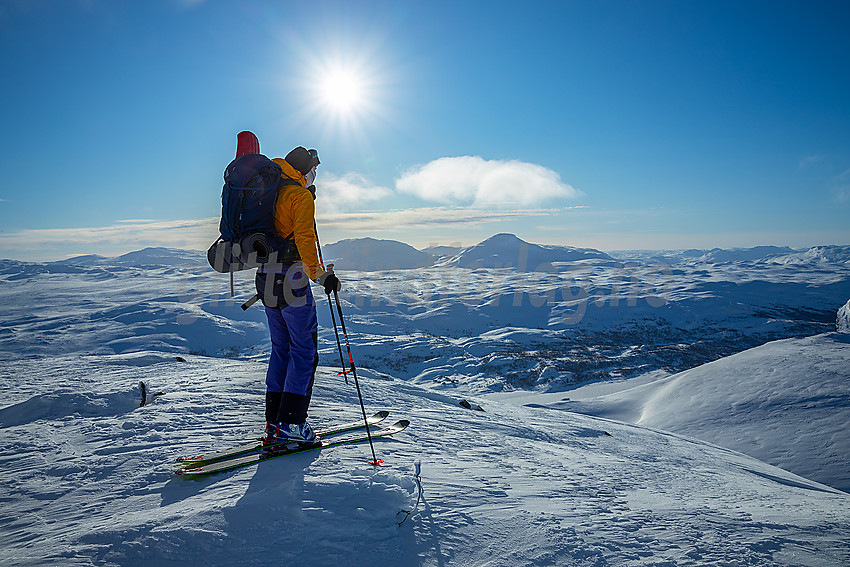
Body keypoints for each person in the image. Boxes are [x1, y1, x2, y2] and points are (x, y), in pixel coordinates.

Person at [234, 132, 341, 446]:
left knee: (281, 350)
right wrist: (322, 276)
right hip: (292, 280)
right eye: (314, 171)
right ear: (305, 170)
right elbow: (306, 242)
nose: (315, 176)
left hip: (265, 280)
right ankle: (293, 425)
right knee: (304, 352)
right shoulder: (299, 196)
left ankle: (275, 424)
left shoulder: (269, 190)